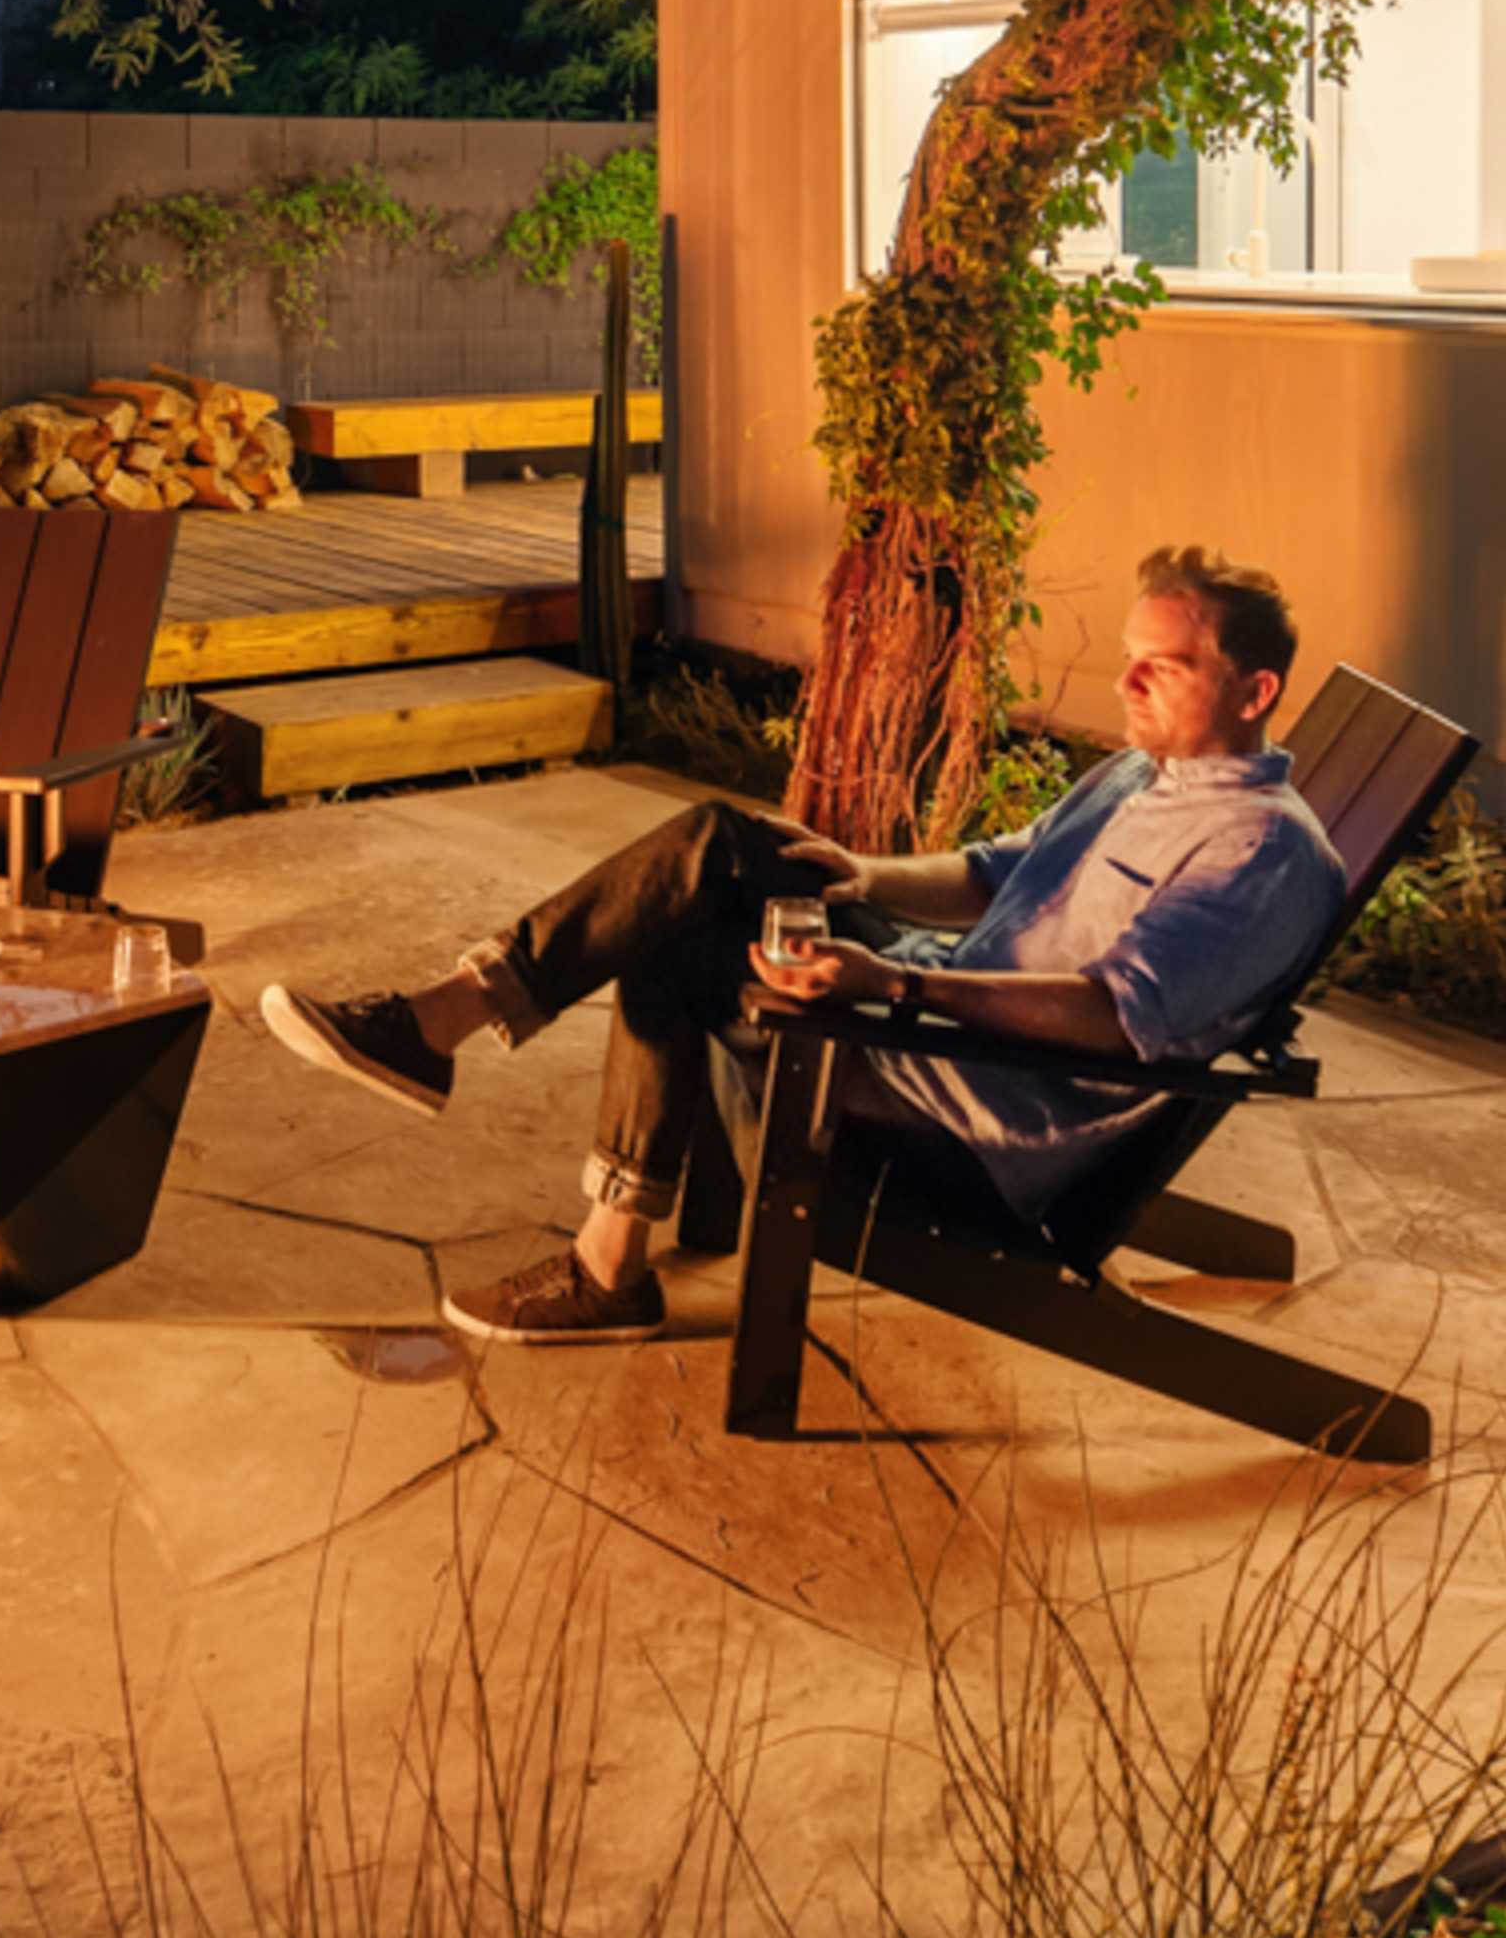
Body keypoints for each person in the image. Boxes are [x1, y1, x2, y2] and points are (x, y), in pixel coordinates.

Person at [262, 543, 1344, 1347]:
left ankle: (516, 1134)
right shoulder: (1138, 773)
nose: (1127, 684)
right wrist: (861, 877)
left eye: (1166, 666)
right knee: (723, 855)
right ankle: (459, 1038)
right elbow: (995, 874)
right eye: (1129, 659)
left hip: (966, 1116)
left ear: (1255, 692)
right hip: (936, 1028)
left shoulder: (1259, 852)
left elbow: (1111, 1015)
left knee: (681, 936)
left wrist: (894, 983)